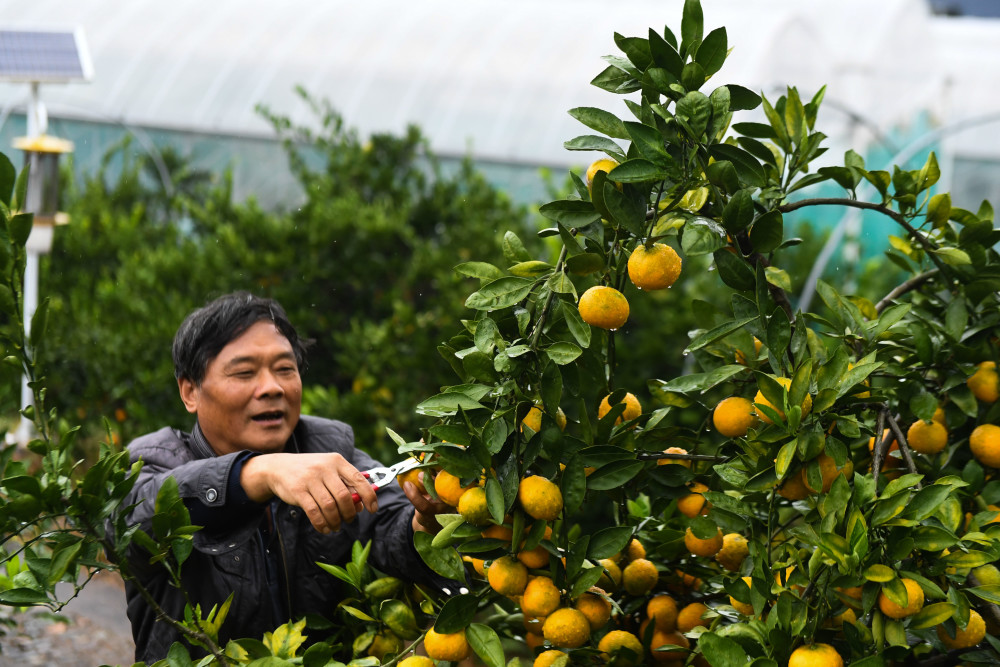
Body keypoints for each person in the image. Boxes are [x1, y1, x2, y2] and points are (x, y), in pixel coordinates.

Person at [116, 291, 450, 662]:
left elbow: (392, 525)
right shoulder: (153, 462)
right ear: (190, 391)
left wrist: (426, 520)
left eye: (285, 369)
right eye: (244, 372)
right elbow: (139, 519)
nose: (272, 387)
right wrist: (260, 471)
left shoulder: (328, 448)